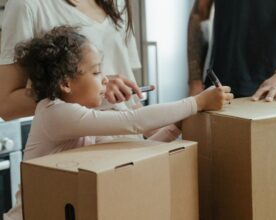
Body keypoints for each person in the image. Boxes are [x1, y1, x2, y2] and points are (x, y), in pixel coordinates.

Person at [3, 25, 233, 220]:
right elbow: (132, 121)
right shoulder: (55, 113)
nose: (105, 79)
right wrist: (196, 102)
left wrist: (175, 127)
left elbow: (128, 155)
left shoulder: (80, 117)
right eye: (95, 72)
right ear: (65, 84)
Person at [0, 0, 142, 121]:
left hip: (129, 138)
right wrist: (87, 88)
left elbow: (128, 94)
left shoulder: (116, 2)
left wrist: (152, 126)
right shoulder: (26, 5)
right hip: (77, 146)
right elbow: (6, 106)